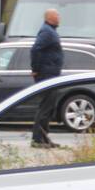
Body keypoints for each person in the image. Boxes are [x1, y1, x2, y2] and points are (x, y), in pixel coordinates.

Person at [29, 8, 63, 148]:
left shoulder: (51, 31)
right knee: (45, 106)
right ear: (49, 18)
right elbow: (35, 49)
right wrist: (35, 69)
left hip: (51, 73)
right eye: (57, 16)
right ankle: (37, 139)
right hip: (46, 74)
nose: (59, 18)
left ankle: (44, 138)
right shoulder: (47, 32)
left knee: (49, 107)